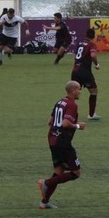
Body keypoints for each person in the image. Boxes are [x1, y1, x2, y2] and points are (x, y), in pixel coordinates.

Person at [37, 80, 87, 210]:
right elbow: (65, 123)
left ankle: (44, 202)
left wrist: (74, 122)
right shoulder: (72, 105)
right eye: (78, 89)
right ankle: (46, 183)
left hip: (53, 140)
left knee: (59, 172)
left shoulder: (60, 102)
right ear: (73, 91)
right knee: (76, 173)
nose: (80, 92)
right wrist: (77, 126)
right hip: (63, 142)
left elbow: (50, 121)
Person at [71, 27, 101, 120]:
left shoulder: (80, 43)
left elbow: (76, 55)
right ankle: (91, 115)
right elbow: (93, 55)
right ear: (93, 36)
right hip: (85, 72)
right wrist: (96, 64)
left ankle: (68, 113)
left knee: (72, 93)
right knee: (94, 91)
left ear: (86, 35)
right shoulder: (92, 45)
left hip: (75, 71)